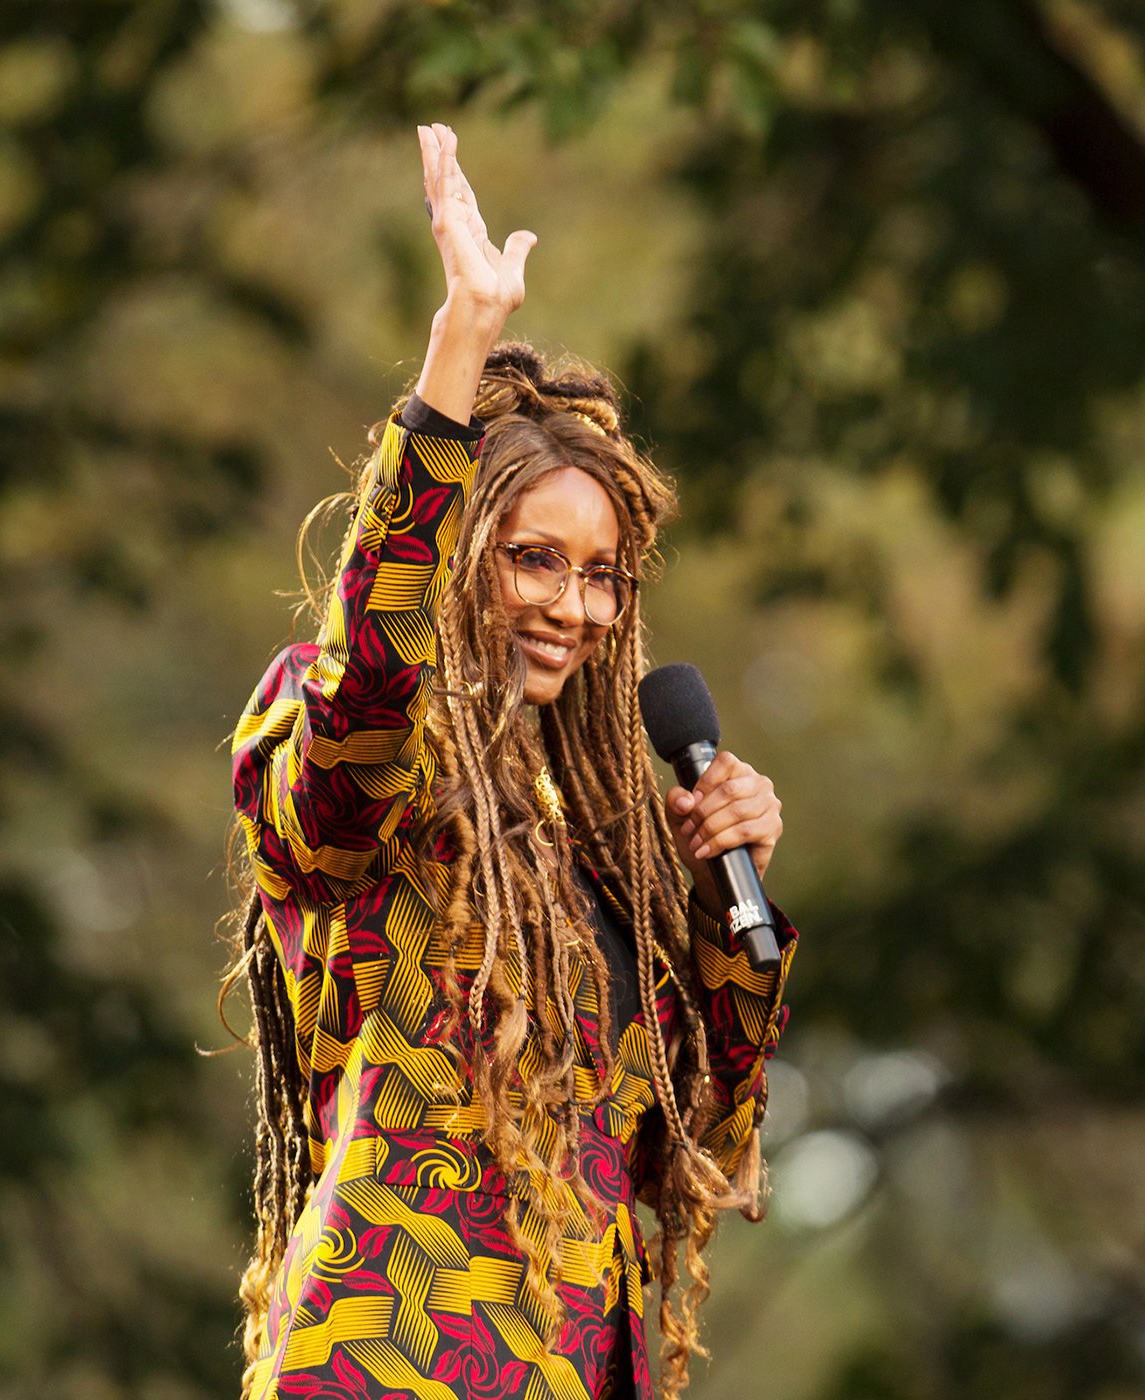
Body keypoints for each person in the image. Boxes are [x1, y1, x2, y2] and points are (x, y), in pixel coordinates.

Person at [222, 123, 795, 1400]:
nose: (572, 607)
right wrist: (457, 353)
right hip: (395, 1361)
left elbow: (701, 1143)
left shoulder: (595, 838)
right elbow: (370, 683)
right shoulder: (367, 758)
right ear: (461, 550)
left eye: (602, 576)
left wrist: (726, 901)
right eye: (535, 558)